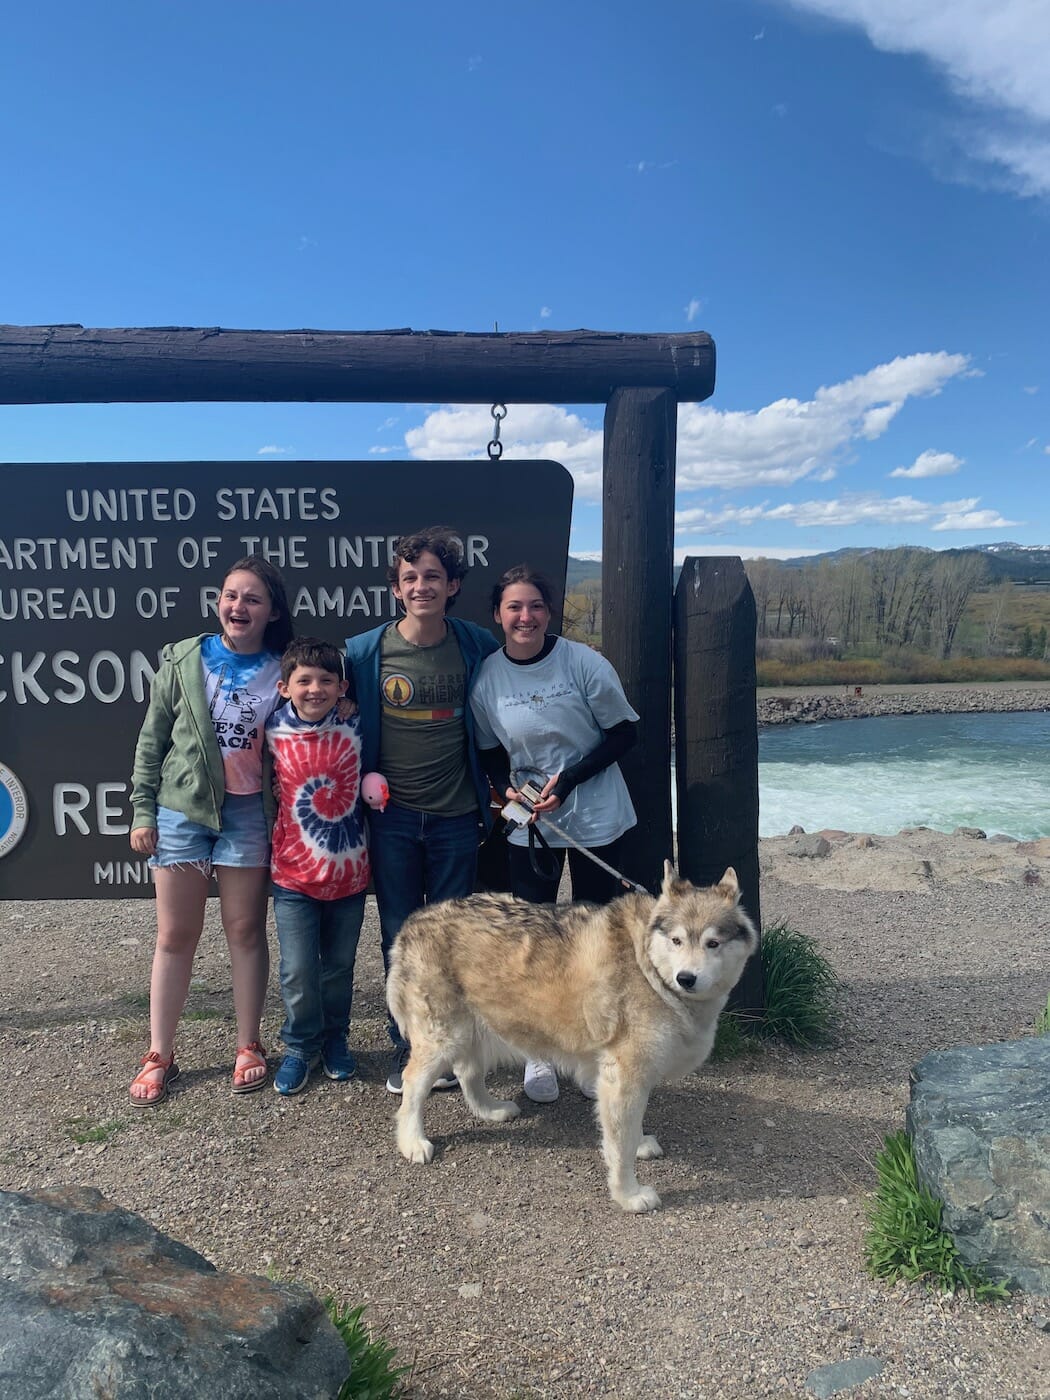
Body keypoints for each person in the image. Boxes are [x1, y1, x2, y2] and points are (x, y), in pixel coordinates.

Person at [470, 565, 639, 1104]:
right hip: (531, 826)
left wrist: (568, 781)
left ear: (550, 612)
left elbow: (623, 734)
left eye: (535, 606)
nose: (526, 617)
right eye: (514, 607)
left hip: (595, 818)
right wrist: (507, 792)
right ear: (498, 615)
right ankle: (537, 1053)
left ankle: (592, 1054)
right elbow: (490, 752)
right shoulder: (488, 678)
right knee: (533, 942)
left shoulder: (584, 663)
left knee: (596, 943)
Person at [128, 556, 293, 1105]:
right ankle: (160, 1053)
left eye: (252, 598)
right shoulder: (184, 659)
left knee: (245, 932)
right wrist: (142, 810)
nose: (238, 606)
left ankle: (249, 1044)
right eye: (230, 595)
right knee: (175, 936)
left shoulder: (283, 670)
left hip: (247, 814)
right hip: (182, 811)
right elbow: (152, 741)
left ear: (271, 611)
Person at [345, 526, 499, 1094]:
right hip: (393, 821)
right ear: (396, 588)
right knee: (400, 936)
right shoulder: (365, 652)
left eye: (433, 576)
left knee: (456, 939)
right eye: (410, 577)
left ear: (453, 584)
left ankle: (455, 1046)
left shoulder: (476, 644)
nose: (421, 586)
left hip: (459, 817)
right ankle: (408, 1048)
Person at [264, 637, 370, 1095]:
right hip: (292, 874)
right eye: (303, 680)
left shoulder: (359, 725)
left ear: (342, 686)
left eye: (326, 680)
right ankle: (299, 1045)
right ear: (284, 687)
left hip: (349, 872)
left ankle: (335, 1040)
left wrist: (351, 705)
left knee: (339, 967)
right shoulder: (268, 731)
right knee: (298, 970)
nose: (315, 688)